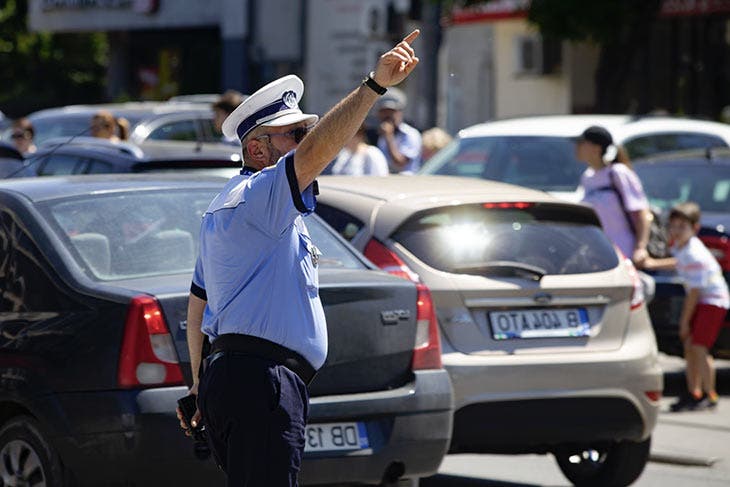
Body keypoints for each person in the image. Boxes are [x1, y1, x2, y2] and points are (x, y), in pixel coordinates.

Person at [178, 30, 421, 486]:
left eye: (303, 132)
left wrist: (197, 383)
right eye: (294, 134)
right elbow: (315, 155)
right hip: (261, 384)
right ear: (256, 149)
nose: (305, 142)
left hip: (242, 379)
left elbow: (198, 306)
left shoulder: (233, 203)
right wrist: (374, 85)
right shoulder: (260, 195)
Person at [642, 202, 729, 411]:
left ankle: (709, 394)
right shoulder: (682, 247)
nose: (676, 230)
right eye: (674, 225)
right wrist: (653, 264)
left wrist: (684, 322)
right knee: (691, 347)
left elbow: (694, 292)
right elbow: (678, 263)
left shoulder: (694, 252)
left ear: (694, 228)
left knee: (699, 348)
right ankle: (694, 391)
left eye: (682, 226)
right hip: (703, 301)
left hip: (712, 302)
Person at [576, 125, 651, 266]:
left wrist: (640, 248)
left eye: (582, 143)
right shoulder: (587, 177)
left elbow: (641, 212)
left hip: (626, 252)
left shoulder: (618, 173)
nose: (577, 147)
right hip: (601, 253)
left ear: (596, 148)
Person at [376, 86, 422, 174]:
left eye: (391, 111)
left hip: (405, 182)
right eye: (384, 111)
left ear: (399, 113)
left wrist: (389, 137)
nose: (387, 116)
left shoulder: (411, 134)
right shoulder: (381, 134)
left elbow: (400, 163)